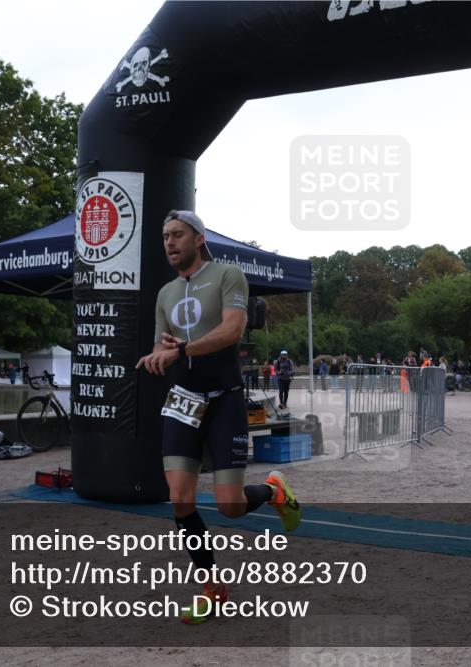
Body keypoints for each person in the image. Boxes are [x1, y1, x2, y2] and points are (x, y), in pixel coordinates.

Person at [135, 209, 300, 625]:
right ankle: (212, 588)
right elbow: (162, 347)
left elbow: (232, 331)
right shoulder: (166, 293)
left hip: (224, 398)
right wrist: (159, 354)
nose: (169, 243)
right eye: (165, 236)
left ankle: (273, 491)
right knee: (179, 498)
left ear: (198, 238)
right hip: (183, 400)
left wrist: (183, 350)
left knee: (229, 506)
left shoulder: (228, 275)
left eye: (177, 235)